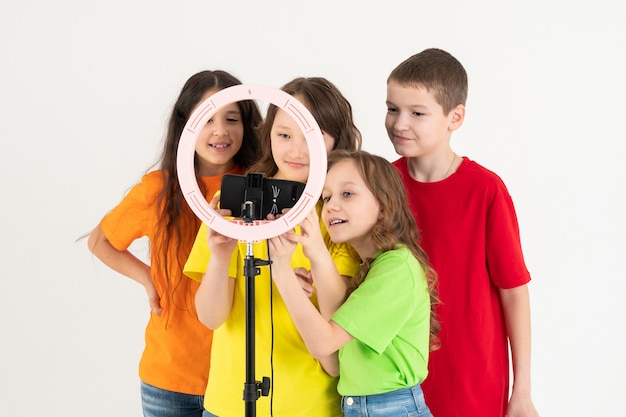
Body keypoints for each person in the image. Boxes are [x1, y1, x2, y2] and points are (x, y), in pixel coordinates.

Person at [183, 77, 363, 417]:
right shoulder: (230, 203)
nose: (296, 150)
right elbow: (210, 317)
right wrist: (220, 259)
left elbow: (338, 338)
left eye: (312, 135)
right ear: (268, 136)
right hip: (229, 404)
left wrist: (314, 257)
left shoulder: (342, 217)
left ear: (337, 139)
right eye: (284, 135)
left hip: (310, 406)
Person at [87, 70, 262, 417]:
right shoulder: (158, 188)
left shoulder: (259, 187)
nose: (220, 130)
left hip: (238, 377)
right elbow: (100, 241)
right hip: (168, 376)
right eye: (206, 117)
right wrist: (150, 279)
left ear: (247, 125)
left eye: (232, 118)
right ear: (185, 123)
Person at [386, 48, 540, 417]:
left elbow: (514, 293)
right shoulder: (382, 186)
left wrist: (522, 392)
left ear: (455, 117)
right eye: (392, 109)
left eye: (417, 113)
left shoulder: (485, 190)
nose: (399, 123)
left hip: (471, 382)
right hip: (395, 380)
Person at [268, 149, 440, 417]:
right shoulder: (370, 270)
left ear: (384, 205)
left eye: (347, 194)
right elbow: (334, 363)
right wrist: (306, 261)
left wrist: (281, 272)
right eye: (326, 197)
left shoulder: (396, 267)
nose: (332, 205)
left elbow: (323, 343)